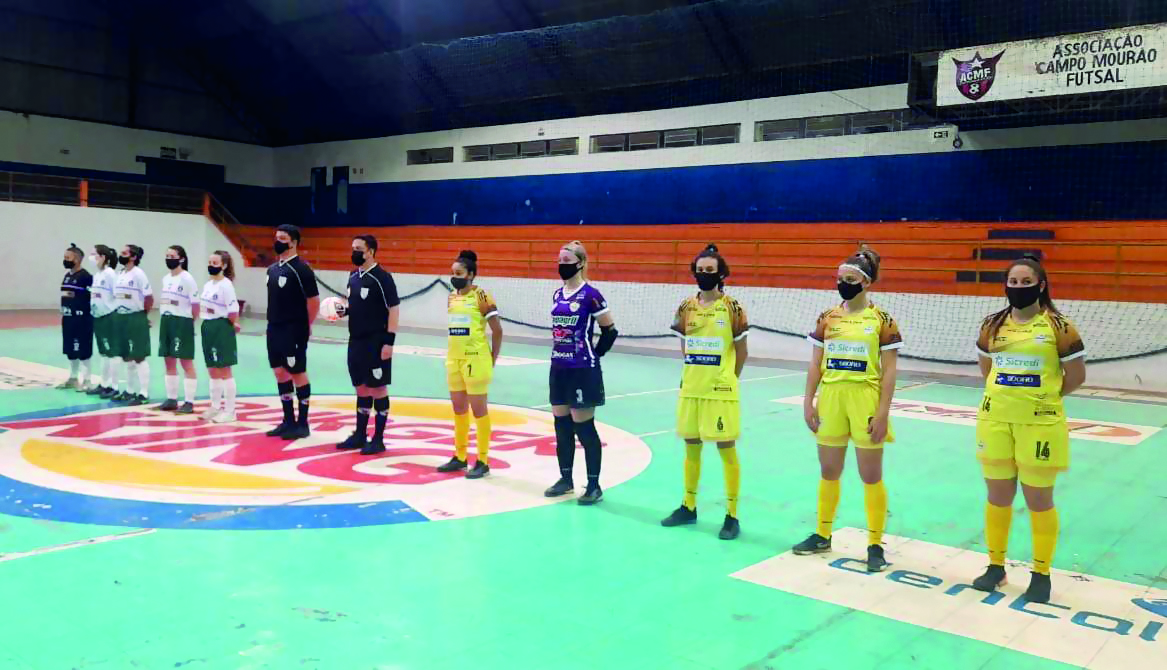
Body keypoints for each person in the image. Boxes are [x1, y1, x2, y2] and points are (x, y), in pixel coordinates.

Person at [971, 255, 1086, 604]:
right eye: (1013, 282)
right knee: (998, 497)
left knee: (1039, 500)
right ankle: (995, 567)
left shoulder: (1059, 327)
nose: (1018, 288)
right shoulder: (992, 325)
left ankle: (1041, 573)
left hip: (1040, 425)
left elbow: (1076, 376)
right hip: (995, 421)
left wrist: (1044, 398)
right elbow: (987, 370)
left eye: (1026, 282)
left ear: (1041, 285)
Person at [792, 246, 901, 573]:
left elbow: (890, 370)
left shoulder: (881, 320)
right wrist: (808, 401)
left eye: (850, 279)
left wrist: (883, 412)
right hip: (831, 398)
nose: (843, 284)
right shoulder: (828, 317)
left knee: (870, 474)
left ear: (866, 283)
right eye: (840, 278)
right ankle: (823, 534)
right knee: (829, 470)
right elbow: (815, 364)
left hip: (865, 398)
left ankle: (875, 544)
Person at [661, 245, 749, 540]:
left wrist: (728, 379)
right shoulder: (686, 307)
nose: (704, 274)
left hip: (720, 390)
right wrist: (691, 374)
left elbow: (742, 350)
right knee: (691, 445)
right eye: (700, 270)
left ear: (721, 273)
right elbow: (685, 345)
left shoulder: (733, 308)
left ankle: (732, 515)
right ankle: (688, 506)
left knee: (726, 448)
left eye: (710, 270)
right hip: (692, 388)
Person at [544, 241, 618, 505]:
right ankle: (565, 480)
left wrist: (595, 355)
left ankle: (594, 485)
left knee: (584, 428)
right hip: (558, 367)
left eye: (567, 260)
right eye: (559, 260)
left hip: (581, 370)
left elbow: (610, 331)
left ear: (581, 263)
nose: (562, 265)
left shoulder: (591, 295)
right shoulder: (557, 294)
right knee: (561, 426)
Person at [436, 250, 503, 478]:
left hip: (476, 358)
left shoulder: (481, 296)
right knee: (458, 408)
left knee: (479, 410)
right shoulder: (451, 296)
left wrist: (492, 357)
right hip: (454, 359)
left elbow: (497, 330)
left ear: (471, 274)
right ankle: (460, 456)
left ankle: (483, 460)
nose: (454, 277)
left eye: (459, 273)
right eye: (453, 273)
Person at [335, 235, 400, 455]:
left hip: (376, 341)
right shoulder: (353, 276)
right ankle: (360, 435)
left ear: (370, 251)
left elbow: (393, 309)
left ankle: (378, 438)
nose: (354, 252)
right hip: (355, 340)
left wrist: (389, 342)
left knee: (377, 388)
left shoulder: (383, 278)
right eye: (353, 248)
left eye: (359, 249)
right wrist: (343, 311)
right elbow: (355, 304)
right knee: (361, 387)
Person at [265, 224, 320, 440]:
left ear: (293, 242)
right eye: (276, 237)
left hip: (293, 329)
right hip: (274, 327)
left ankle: (302, 423)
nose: (277, 241)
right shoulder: (272, 269)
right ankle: (288, 420)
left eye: (282, 238)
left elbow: (313, 301)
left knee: (297, 371)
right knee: (279, 372)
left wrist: (306, 325)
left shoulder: (302, 269)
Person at [199, 251, 242, 423]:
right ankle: (215, 406)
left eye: (215, 263)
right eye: (210, 262)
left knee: (225, 369)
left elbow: (232, 311)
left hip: (221, 326)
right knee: (212, 368)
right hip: (207, 326)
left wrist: (230, 325)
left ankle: (230, 411)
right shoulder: (208, 285)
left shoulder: (226, 285)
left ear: (223, 266)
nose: (211, 265)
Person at [157, 245, 200, 413]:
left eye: (172, 256)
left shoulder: (187, 278)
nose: (169, 259)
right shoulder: (166, 278)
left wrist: (189, 323)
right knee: (168, 360)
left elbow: (195, 305)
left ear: (181, 259)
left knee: (185, 361)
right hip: (166, 320)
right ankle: (171, 399)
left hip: (182, 321)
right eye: (167, 256)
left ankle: (189, 401)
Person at [112, 244, 154, 405]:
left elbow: (149, 298)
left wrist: (142, 316)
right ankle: (129, 391)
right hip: (121, 317)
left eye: (124, 253)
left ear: (133, 257)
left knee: (139, 356)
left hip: (135, 317)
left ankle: (144, 393)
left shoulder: (139, 274)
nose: (120, 255)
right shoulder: (120, 274)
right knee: (127, 356)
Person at [58, 244, 94, 391]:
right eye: (64, 257)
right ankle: (73, 378)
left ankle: (87, 380)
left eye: (68, 257)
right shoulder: (67, 276)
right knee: (70, 349)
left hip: (82, 320)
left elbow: (92, 297)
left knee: (83, 350)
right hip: (68, 318)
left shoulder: (86, 277)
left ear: (77, 260)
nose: (65, 260)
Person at [87, 244, 120, 398]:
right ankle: (104, 384)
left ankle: (114, 386)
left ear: (103, 257)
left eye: (94, 254)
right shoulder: (97, 275)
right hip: (98, 316)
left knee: (112, 352)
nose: (92, 257)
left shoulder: (110, 274)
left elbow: (117, 294)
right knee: (104, 353)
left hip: (109, 317)